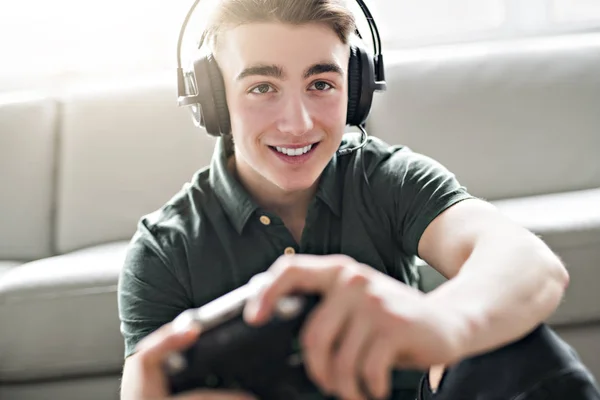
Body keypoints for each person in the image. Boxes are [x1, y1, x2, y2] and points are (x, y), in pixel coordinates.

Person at [118, 0, 600, 399]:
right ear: (214, 101)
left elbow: (527, 262)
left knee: (511, 345)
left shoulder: (387, 178)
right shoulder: (164, 249)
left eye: (321, 84)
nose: (299, 123)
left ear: (356, 90)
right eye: (262, 87)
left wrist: (442, 324)